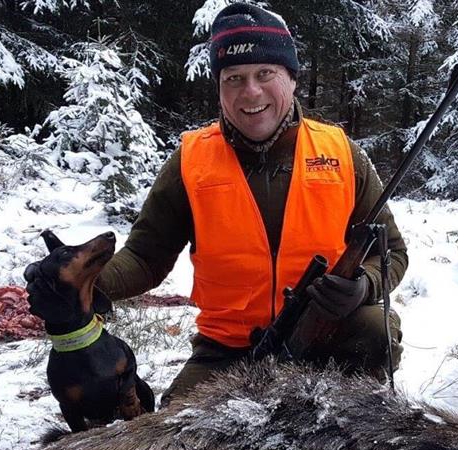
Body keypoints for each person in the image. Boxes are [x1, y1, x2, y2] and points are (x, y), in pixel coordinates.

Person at [94, 3, 408, 407]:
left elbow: (391, 252)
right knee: (173, 434)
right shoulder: (191, 161)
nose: (251, 92)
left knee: (373, 329)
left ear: (292, 78)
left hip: (326, 337)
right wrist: (86, 283)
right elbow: (144, 257)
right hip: (228, 350)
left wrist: (364, 285)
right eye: (234, 78)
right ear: (219, 88)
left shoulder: (341, 154)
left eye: (265, 74)